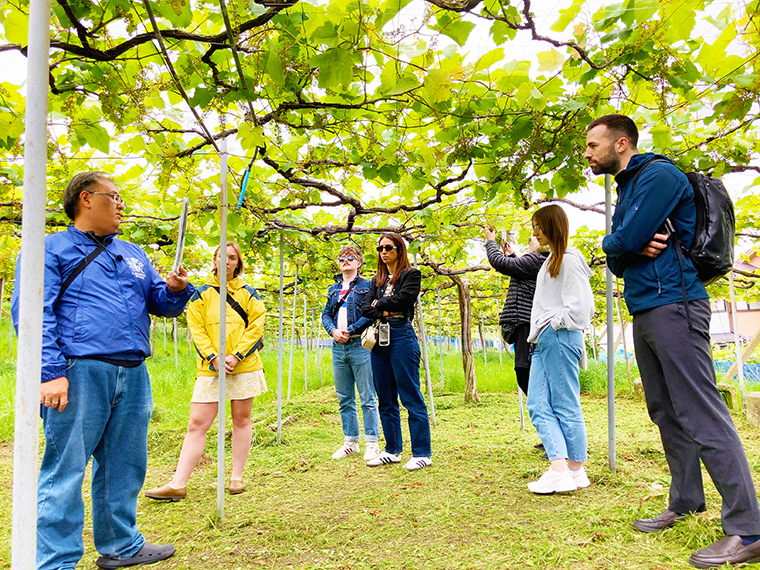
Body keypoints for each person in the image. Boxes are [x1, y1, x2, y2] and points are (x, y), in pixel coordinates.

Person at [585, 114, 760, 568]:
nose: (587, 153)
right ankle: (686, 502)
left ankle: (748, 528)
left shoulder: (658, 174)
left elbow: (621, 242)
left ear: (621, 144)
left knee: (700, 409)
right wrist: (623, 247)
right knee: (664, 408)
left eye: (592, 145)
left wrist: (618, 243)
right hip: (646, 305)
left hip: (675, 305)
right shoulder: (628, 187)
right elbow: (622, 259)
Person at [11, 171, 194, 570]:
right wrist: (49, 371)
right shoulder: (49, 249)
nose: (121, 204)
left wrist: (176, 290)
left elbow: (159, 304)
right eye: (114, 197)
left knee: (124, 465)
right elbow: (31, 312)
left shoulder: (133, 253)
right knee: (66, 468)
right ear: (86, 199)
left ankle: (121, 546)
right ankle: (56, 561)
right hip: (79, 371)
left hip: (132, 371)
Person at [144, 241, 266, 500]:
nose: (227, 261)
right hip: (211, 367)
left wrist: (236, 355)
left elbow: (257, 324)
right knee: (197, 423)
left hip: (243, 365)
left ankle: (236, 477)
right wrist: (214, 357)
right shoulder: (201, 294)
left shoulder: (249, 293)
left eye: (233, 257)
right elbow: (196, 328)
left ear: (238, 262)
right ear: (215, 260)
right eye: (223, 257)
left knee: (241, 420)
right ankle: (178, 483)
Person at [525, 204, 595, 495]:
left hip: (559, 337)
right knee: (539, 404)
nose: (535, 232)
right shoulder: (553, 259)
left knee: (562, 404)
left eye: (539, 226)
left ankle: (564, 469)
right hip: (547, 339)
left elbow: (581, 308)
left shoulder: (568, 259)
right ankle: (571, 470)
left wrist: (554, 324)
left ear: (553, 225)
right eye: (533, 227)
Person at [361, 233, 432, 471]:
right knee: (385, 397)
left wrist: (378, 305)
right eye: (380, 248)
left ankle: (422, 452)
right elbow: (364, 308)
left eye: (388, 247)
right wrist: (382, 310)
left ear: (399, 250)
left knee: (410, 394)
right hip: (380, 337)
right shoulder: (376, 281)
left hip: (401, 334)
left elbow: (404, 301)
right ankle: (392, 450)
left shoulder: (411, 275)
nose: (383, 251)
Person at [321, 245, 381, 461]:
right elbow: (326, 314)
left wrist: (351, 330)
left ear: (359, 263)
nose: (345, 261)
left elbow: (372, 313)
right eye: (341, 259)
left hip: (360, 346)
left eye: (350, 258)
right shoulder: (333, 289)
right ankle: (350, 441)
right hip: (338, 347)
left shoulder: (368, 286)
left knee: (367, 397)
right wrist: (333, 331)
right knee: (344, 397)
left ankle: (372, 443)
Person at [484, 230, 549, 396]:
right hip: (526, 321)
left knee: (523, 369)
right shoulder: (539, 261)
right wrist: (513, 257)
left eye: (531, 240)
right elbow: (522, 273)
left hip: (525, 322)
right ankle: (540, 406)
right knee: (524, 368)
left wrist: (490, 241)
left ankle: (540, 408)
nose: (529, 244)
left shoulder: (535, 260)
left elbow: (498, 262)